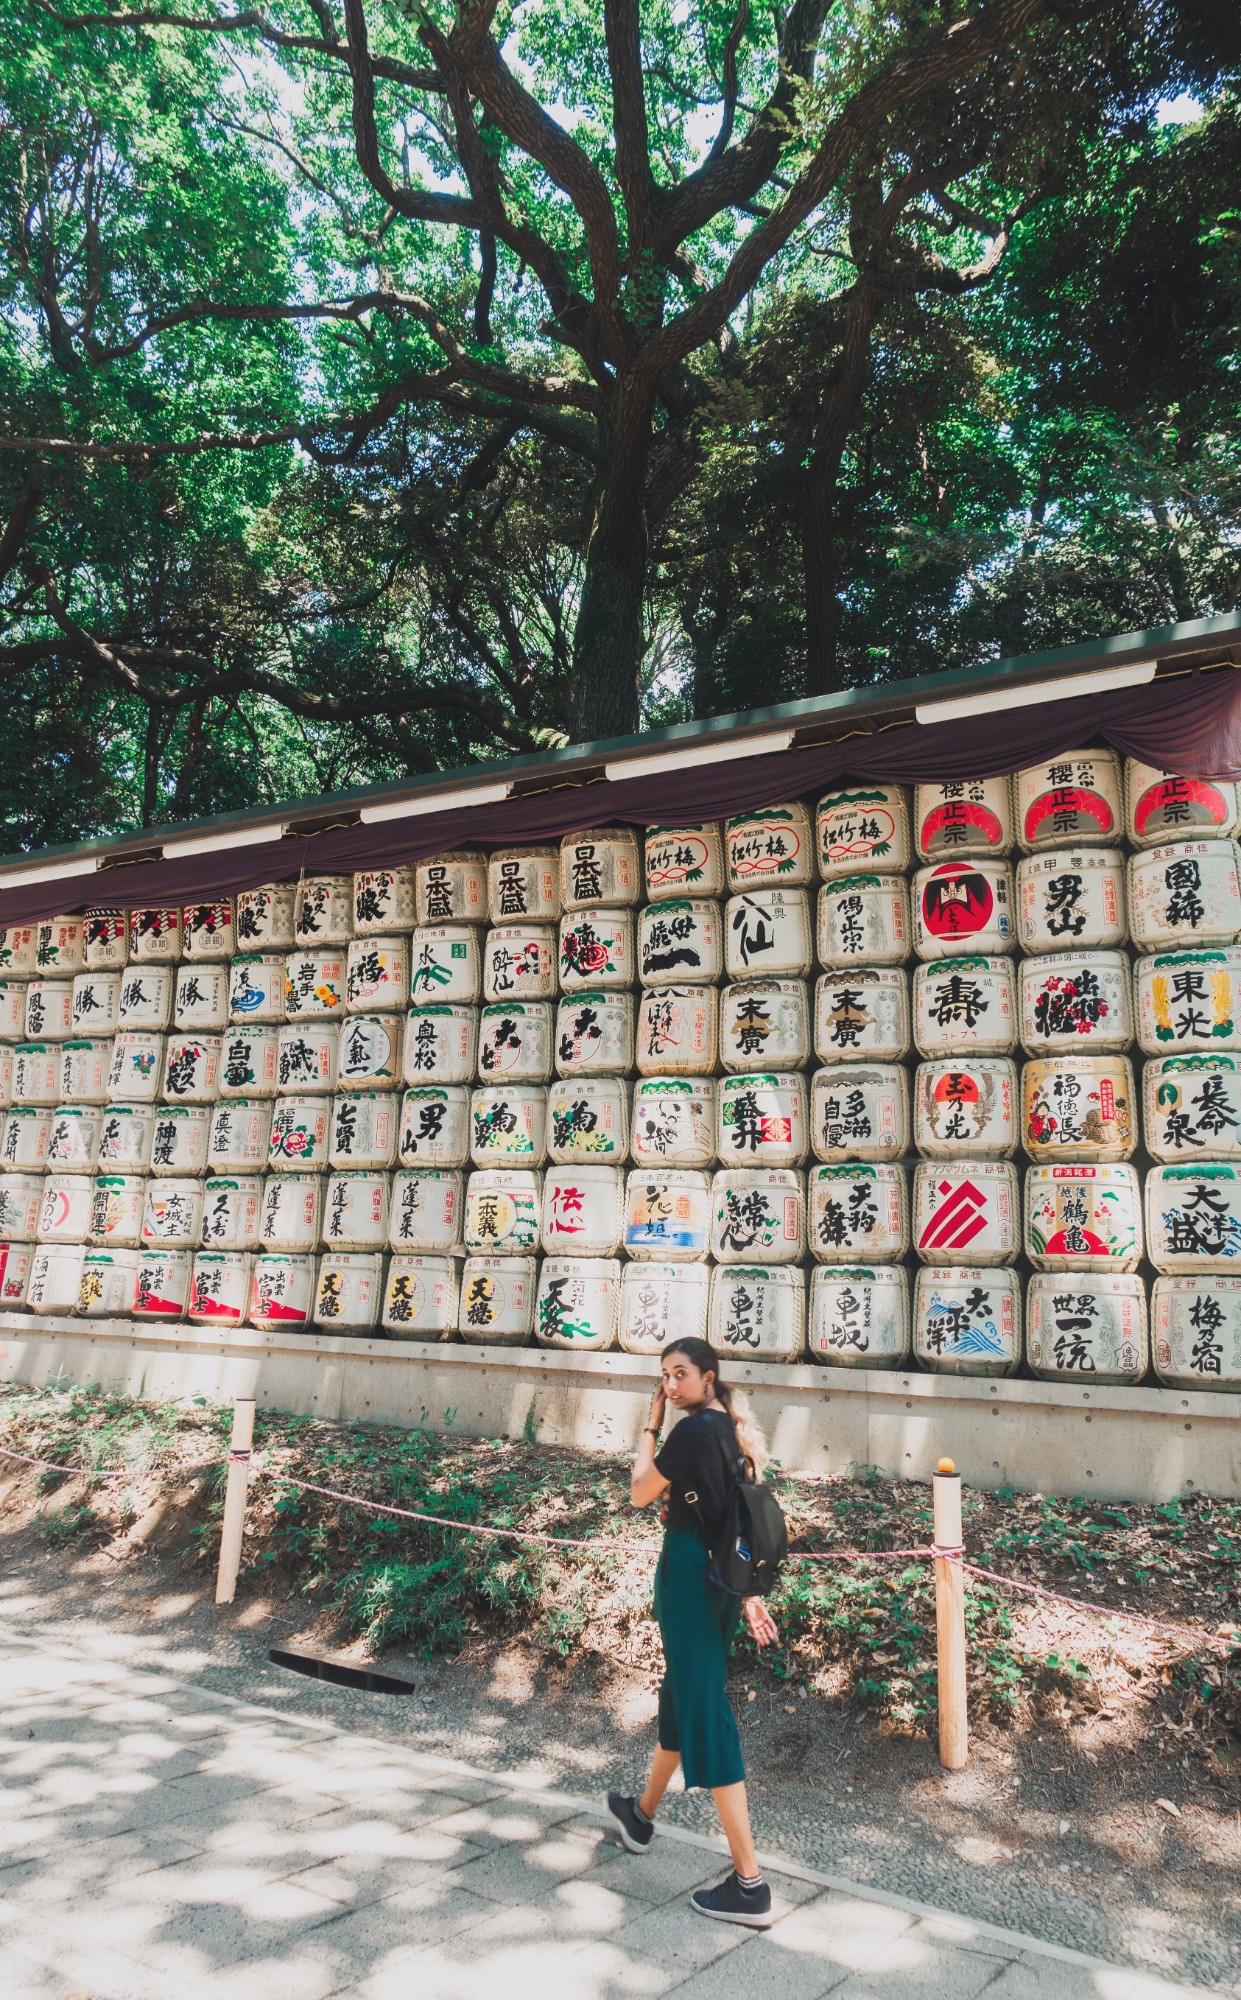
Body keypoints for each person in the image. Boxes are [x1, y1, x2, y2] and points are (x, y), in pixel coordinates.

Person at [606, 1336, 779, 1928]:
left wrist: (649, 1427)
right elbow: (731, 1513)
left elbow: (638, 1492)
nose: (670, 1386)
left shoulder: (690, 1432)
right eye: (664, 1377)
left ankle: (750, 1885)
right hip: (720, 1581)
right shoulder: (727, 1427)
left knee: (705, 1707)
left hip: (688, 1575)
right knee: (682, 1694)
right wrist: (750, 1596)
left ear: (708, 1376)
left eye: (680, 1374)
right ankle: (641, 1815)